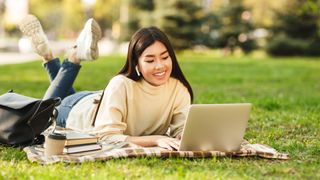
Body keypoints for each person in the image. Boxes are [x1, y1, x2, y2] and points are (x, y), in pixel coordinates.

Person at [19, 15, 193, 150]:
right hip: (76, 111)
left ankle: (50, 56)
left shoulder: (178, 89)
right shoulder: (121, 84)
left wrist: (183, 136)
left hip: (98, 100)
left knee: (55, 96)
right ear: (136, 63)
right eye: (150, 60)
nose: (160, 66)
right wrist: (155, 139)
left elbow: (181, 131)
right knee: (39, 115)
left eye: (164, 57)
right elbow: (106, 137)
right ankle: (70, 57)